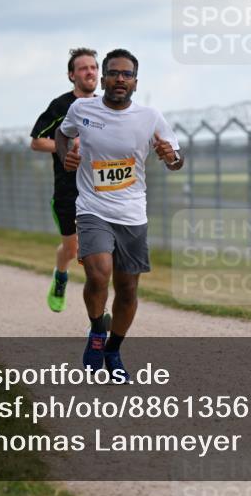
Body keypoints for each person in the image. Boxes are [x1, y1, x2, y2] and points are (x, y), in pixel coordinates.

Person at [56, 49, 184, 377]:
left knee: (127, 290)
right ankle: (97, 329)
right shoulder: (81, 109)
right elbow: (62, 134)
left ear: (135, 83)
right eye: (113, 73)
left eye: (127, 74)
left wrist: (170, 156)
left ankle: (113, 350)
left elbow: (176, 160)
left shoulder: (150, 117)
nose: (120, 79)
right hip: (92, 208)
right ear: (103, 79)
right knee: (99, 274)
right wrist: (65, 156)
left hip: (132, 214)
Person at [30, 47, 99, 313]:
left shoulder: (106, 107)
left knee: (98, 250)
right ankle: (61, 276)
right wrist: (68, 145)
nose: (90, 72)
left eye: (93, 67)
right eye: (83, 68)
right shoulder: (61, 106)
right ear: (72, 75)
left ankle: (99, 306)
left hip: (100, 191)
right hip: (68, 191)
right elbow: (37, 142)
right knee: (72, 251)